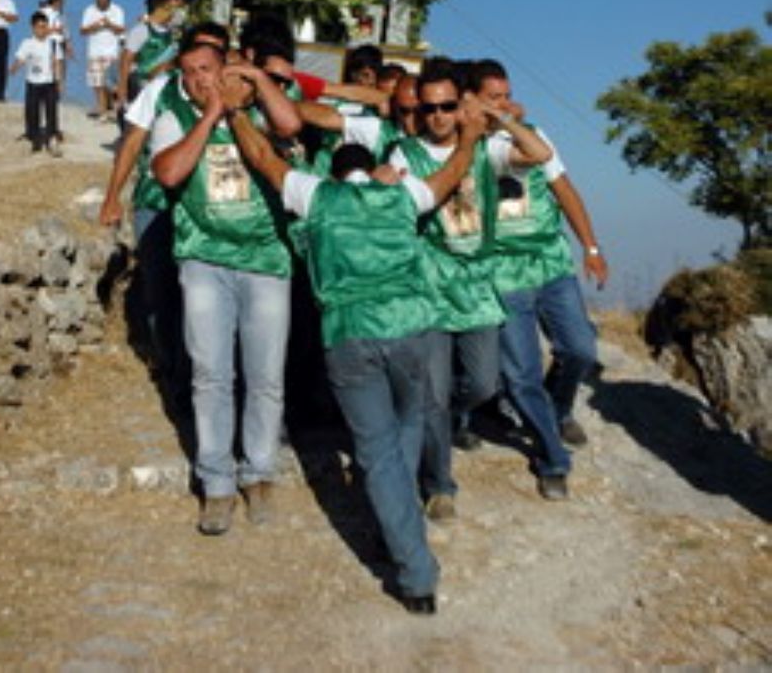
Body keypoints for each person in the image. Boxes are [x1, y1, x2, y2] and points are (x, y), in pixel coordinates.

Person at [228, 96, 488, 614]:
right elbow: (450, 174)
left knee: (375, 450)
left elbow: (263, 159)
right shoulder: (403, 195)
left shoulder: (316, 194)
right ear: (372, 172)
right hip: (410, 327)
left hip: (349, 335)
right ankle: (398, 532)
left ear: (336, 173)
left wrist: (234, 113)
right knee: (406, 428)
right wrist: (471, 138)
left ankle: (415, 570)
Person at [150, 34, 301, 535]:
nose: (197, 79)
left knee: (265, 375)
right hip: (205, 259)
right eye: (189, 71)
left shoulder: (257, 107)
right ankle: (216, 483)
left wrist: (254, 81)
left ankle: (258, 473)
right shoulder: (174, 114)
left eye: (207, 69)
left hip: (265, 259)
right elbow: (169, 173)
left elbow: (292, 124)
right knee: (211, 373)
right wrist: (210, 115)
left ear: (226, 68)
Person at [390, 58, 551, 520]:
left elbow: (538, 155)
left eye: (446, 106)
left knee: (482, 383)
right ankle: (439, 484)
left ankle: (439, 419)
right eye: (429, 108)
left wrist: (496, 117)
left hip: (479, 284)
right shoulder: (406, 154)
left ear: (461, 104)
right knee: (434, 394)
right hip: (431, 284)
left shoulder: (487, 148)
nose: (437, 116)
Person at [471, 59, 608, 501]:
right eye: (494, 96)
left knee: (580, 349)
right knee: (522, 373)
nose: (506, 103)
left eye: (507, 93)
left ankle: (559, 408)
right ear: (471, 99)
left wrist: (589, 246)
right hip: (504, 272)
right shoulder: (470, 146)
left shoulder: (533, 134)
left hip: (550, 264)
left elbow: (564, 188)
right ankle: (552, 457)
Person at [99, 22, 232, 399]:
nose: (202, 72)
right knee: (163, 290)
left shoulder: (236, 94)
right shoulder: (160, 90)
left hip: (214, 213)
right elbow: (133, 140)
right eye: (196, 57)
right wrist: (113, 196)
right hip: (158, 204)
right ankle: (174, 373)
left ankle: (205, 377)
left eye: (213, 57)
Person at [9, 11, 61, 155]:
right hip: (32, 83)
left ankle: (51, 139)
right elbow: (20, 58)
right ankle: (35, 140)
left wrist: (58, 80)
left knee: (51, 111)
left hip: (49, 82)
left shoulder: (52, 43)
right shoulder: (27, 43)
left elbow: (56, 62)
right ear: (32, 27)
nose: (42, 30)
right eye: (39, 27)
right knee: (32, 112)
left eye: (44, 26)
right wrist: (13, 68)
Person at [116, 0, 178, 106]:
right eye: (169, 9)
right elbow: (126, 60)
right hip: (145, 86)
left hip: (169, 86)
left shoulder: (174, 34)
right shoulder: (141, 31)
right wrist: (123, 87)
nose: (173, 13)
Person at [80, 0, 125, 119]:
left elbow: (121, 29)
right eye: (100, 2)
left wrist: (109, 24)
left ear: (109, 0)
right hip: (94, 52)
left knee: (112, 84)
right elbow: (83, 31)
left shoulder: (117, 10)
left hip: (112, 52)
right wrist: (96, 25)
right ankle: (103, 111)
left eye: (105, 2)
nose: (102, 4)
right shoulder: (89, 10)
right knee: (97, 83)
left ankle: (115, 109)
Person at [40, 0, 73, 100]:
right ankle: (46, 94)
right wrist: (54, 29)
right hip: (47, 42)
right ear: (54, 1)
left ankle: (57, 95)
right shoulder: (43, 12)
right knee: (49, 70)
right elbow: (38, 29)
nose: (62, 3)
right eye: (61, 1)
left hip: (60, 43)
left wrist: (68, 45)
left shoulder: (61, 15)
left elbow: (66, 32)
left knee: (60, 70)